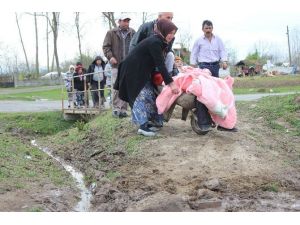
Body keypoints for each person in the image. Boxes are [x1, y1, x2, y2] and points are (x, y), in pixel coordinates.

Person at [114, 19, 179, 137]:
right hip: (131, 71)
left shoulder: (161, 41)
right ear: (163, 31)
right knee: (140, 96)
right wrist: (171, 83)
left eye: (174, 33)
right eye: (170, 32)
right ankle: (142, 126)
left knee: (150, 94)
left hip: (141, 71)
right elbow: (160, 64)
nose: (172, 35)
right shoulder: (155, 42)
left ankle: (150, 122)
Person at [190, 20, 237, 133]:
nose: (208, 30)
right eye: (206, 28)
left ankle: (223, 124)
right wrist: (192, 67)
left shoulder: (218, 40)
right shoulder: (199, 41)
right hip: (203, 68)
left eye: (210, 28)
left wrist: (224, 61)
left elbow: (223, 52)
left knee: (218, 93)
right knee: (203, 94)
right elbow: (194, 54)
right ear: (202, 29)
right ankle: (203, 122)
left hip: (215, 67)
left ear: (212, 28)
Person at [103, 14, 136, 118]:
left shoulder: (133, 33)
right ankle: (116, 108)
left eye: (128, 21)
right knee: (116, 87)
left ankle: (124, 110)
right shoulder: (111, 33)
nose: (127, 23)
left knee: (126, 87)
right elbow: (105, 47)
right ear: (119, 22)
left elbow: (137, 46)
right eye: (125, 21)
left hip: (129, 65)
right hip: (116, 65)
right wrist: (110, 57)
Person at [129, 12, 176, 76]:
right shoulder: (146, 27)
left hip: (159, 65)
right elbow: (133, 44)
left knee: (170, 55)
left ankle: (166, 79)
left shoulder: (170, 32)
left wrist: (175, 65)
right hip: (143, 64)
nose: (170, 20)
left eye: (171, 18)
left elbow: (168, 50)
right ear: (159, 17)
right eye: (168, 17)